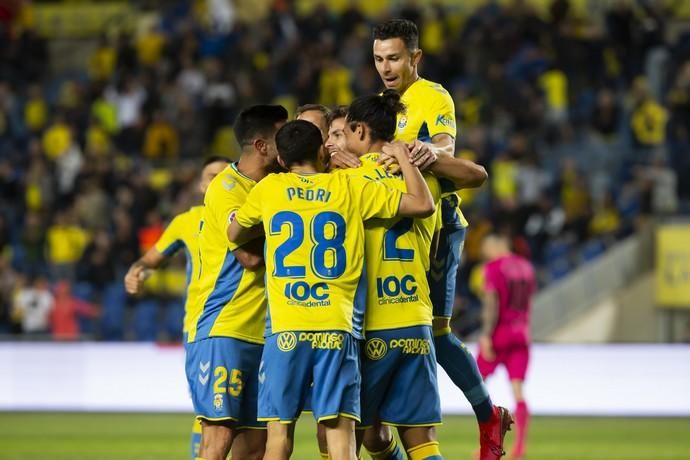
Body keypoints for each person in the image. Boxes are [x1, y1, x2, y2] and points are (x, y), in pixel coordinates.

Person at [227, 119, 435, 460]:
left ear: (280, 160)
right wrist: (405, 158)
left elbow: (235, 234)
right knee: (341, 441)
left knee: (278, 439)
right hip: (336, 328)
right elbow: (422, 204)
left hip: (285, 329)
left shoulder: (268, 190)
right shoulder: (348, 186)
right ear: (323, 150)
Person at [187, 105, 288, 460]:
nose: (289, 143)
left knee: (256, 447)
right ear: (262, 146)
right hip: (225, 328)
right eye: (282, 136)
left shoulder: (274, 185)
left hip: (263, 332)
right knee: (218, 438)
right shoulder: (226, 188)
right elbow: (249, 255)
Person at [123, 155, 228, 460]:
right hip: (203, 326)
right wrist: (137, 270)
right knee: (209, 414)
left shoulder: (253, 214)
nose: (217, 181)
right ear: (200, 183)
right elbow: (152, 258)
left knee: (254, 420)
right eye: (211, 175)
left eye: (225, 175)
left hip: (256, 327)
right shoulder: (186, 221)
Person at [477, 234, 537, 460]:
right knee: (518, 391)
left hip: (499, 333)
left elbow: (491, 303)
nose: (485, 254)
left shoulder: (494, 268)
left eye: (486, 248)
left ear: (497, 245)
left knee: (477, 386)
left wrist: (486, 335)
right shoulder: (526, 267)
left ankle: (488, 445)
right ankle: (519, 446)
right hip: (521, 333)